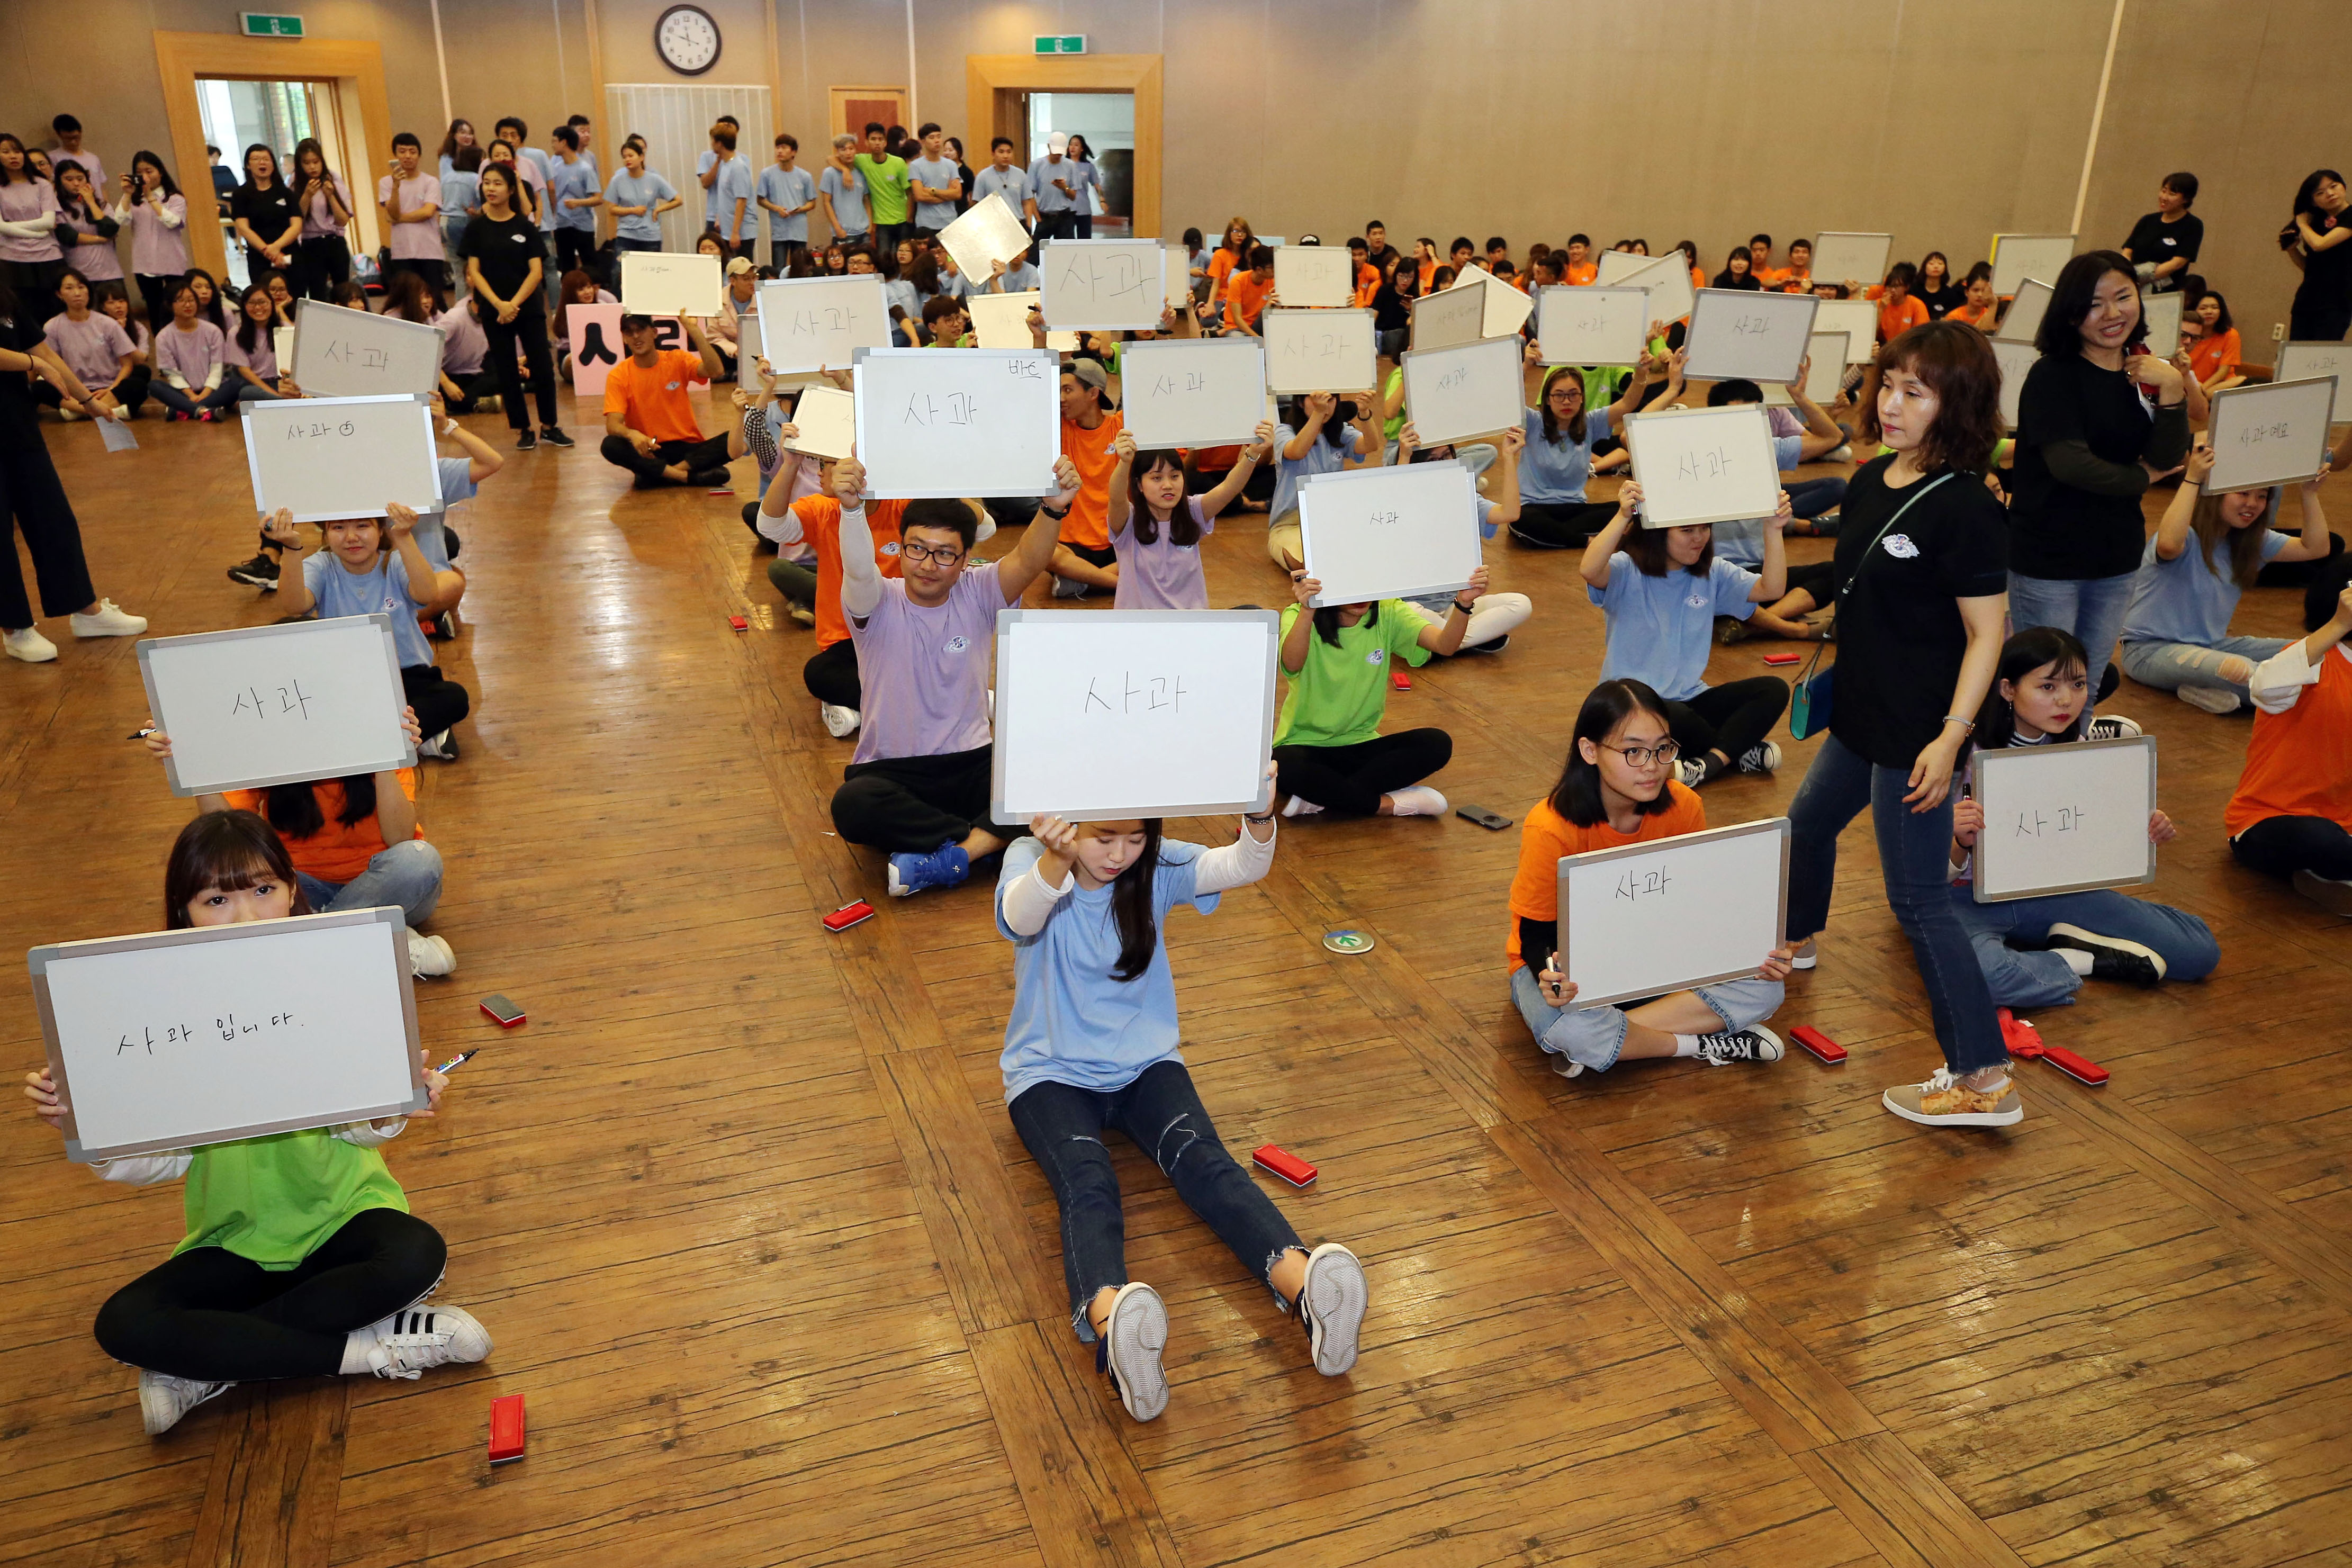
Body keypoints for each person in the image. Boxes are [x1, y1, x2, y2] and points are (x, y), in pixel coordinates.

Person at [19, 811, 488, 1438]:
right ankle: (366, 1350)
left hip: (345, 1219)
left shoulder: (337, 984)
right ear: (184, 911)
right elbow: (167, 1161)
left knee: (417, 1253)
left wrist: (388, 1105)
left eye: (263, 891)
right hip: (234, 1240)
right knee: (122, 1323)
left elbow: (355, 1132)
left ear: (293, 891)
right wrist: (93, 1123)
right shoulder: (161, 1014)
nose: (245, 916)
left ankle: (211, 1356)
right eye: (218, 899)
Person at [995, 795, 1367, 1423]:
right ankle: (1115, 1325)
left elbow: (1243, 865)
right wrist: (1058, 859)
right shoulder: (1033, 857)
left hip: (1146, 1065)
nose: (1119, 855)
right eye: (1103, 838)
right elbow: (1020, 917)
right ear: (1069, 822)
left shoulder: (1154, 866)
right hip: (1049, 1074)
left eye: (1135, 839)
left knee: (1206, 1162)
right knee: (1088, 1184)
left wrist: (1260, 813)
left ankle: (1307, 1288)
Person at [1780, 320, 2016, 1128]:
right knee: (1805, 826)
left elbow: (1989, 633)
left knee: (1917, 901)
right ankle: (1795, 938)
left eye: (1914, 391)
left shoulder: (1966, 509)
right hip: (1861, 708)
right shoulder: (1871, 475)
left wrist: (1950, 737)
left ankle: (1982, 1075)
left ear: (1956, 404)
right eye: (1888, 383)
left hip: (1920, 729)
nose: (1890, 402)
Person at [1508, 679, 1796, 1076]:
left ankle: (1613, 1042)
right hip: (1576, 973)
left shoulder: (1683, 805)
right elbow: (1534, 935)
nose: (1651, 765)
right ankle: (1696, 1044)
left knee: (1766, 986)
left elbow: (1694, 905)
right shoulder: (1550, 826)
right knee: (1569, 1022)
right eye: (1632, 752)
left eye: (1663, 749)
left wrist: (1751, 951)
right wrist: (1551, 976)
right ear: (1589, 750)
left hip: (1656, 960)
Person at [827, 452, 1083, 897]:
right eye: (916, 549)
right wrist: (852, 509)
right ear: (901, 548)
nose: (927, 563)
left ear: (966, 558)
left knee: (1062, 776)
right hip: (892, 770)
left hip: (971, 762)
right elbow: (855, 567)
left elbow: (1028, 559)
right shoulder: (875, 602)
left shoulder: (980, 591)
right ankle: (992, 841)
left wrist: (1053, 507)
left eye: (945, 554)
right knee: (852, 807)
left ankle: (959, 854)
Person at [1947, 626, 2218, 1004]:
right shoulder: (1959, 754)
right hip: (1965, 901)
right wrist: (1958, 842)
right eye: (2047, 687)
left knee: (2198, 952)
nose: (2065, 701)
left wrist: (2138, 827)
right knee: (1980, 978)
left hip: (2049, 891)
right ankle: (2076, 957)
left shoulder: (2075, 750)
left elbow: (2084, 833)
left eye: (2077, 685)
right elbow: (1926, 874)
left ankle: (2066, 939)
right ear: (2008, 690)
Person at [2008, 251, 2190, 715]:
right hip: (2048, 557)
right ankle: (2018, 778)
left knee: (2083, 688)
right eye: (2093, 304)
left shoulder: (2145, 372)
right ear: (2070, 314)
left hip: (2115, 556)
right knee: (2044, 686)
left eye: (2122, 297)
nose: (2112, 314)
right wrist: (2140, 478)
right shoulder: (2052, 375)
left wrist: (2171, 392)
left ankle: (2069, 778)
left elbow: (2170, 456)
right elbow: (2071, 465)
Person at [141, 708, 456, 975]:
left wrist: (386, 756)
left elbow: (399, 837)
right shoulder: (263, 742)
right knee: (257, 882)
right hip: (297, 892)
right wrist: (194, 767)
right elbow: (232, 837)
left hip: (390, 888)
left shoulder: (376, 720)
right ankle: (382, 938)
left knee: (419, 860)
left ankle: (324, 939)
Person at [1579, 479, 1792, 783]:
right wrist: (1623, 515)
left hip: (1692, 697)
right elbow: (1589, 569)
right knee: (1671, 718)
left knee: (1773, 689)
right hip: (1633, 703)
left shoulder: (1713, 572)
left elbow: (1772, 588)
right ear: (1658, 532)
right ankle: (1737, 749)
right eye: (1687, 530)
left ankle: (1708, 764)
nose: (1699, 539)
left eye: (1704, 528)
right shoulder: (1627, 570)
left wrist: (1773, 529)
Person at [2118, 443, 2335, 713]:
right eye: (2243, 493)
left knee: (2314, 652)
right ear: (2216, 495)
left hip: (2212, 645)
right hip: (2148, 652)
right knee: (2245, 672)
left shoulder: (2251, 540)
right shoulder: (2187, 536)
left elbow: (2316, 548)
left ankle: (2201, 689)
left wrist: (2309, 493)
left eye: (2262, 496)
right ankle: (2321, 703)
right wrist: (2193, 479)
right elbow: (2169, 545)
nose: (2252, 504)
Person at [0, 280, 147, 663]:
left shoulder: (6, 295)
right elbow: (37, 359)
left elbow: (43, 350)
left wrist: (86, 399)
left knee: (54, 520)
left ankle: (85, 611)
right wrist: (34, 365)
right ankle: (16, 629)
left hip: (18, 427)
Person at [1269, 561, 1480, 819]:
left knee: (1436, 743)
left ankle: (1323, 797)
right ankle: (1387, 805)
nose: (1361, 597)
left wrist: (1464, 604)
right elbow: (1291, 664)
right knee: (1286, 767)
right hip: (1304, 746)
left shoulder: (1388, 610)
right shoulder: (1297, 615)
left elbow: (1445, 645)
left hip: (1362, 744)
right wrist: (1307, 609)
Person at [263, 502, 470, 757]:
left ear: (381, 530)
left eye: (363, 526)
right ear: (326, 534)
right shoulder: (322, 565)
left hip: (409, 675)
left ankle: (396, 733)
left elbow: (428, 594)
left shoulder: (394, 562)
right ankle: (413, 736)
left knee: (455, 697)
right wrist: (291, 547)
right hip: (349, 681)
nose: (351, 537)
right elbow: (295, 605)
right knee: (317, 704)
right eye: (338, 528)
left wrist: (403, 537)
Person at [752, 454, 908, 737]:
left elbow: (983, 526)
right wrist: (790, 464)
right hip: (846, 641)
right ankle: (927, 700)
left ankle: (869, 707)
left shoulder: (901, 506)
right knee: (820, 674)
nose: (818, 475)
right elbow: (770, 527)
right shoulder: (824, 509)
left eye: (825, 465)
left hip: (900, 634)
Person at [2229, 558, 2352, 913]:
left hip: (2345, 823)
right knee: (2320, 839)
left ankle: (2335, 878)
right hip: (2268, 821)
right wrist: (2338, 624)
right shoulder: (2309, 659)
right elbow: (2264, 685)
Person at [1103, 423, 1274, 609]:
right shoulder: (1128, 521)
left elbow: (1229, 488)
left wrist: (1253, 453)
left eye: (1175, 476)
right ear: (1139, 485)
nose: (1168, 485)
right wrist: (1124, 462)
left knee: (1252, 613)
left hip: (1192, 629)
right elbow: (1116, 497)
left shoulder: (1193, 511)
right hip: (1145, 632)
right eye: (1156, 478)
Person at [458, 163, 567, 451]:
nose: (491, 188)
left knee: (543, 367)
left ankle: (550, 426)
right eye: (487, 183)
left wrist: (513, 304)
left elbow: (536, 272)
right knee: (507, 370)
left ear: (510, 189)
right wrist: (498, 304)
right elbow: (474, 272)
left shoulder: (524, 227)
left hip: (527, 308)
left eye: (497, 183)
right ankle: (523, 429)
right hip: (494, 310)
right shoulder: (476, 228)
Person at [598, 312, 731, 486]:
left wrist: (693, 329)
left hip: (687, 447)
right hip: (650, 449)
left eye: (641, 329)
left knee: (740, 435)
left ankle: (660, 474)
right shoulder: (619, 375)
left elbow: (716, 371)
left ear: (654, 332)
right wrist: (633, 434)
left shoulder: (676, 359)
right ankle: (684, 477)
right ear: (624, 338)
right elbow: (613, 425)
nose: (636, 336)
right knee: (610, 445)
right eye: (629, 332)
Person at [1264, 390, 1382, 567]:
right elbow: (1296, 452)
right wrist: (1318, 414)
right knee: (1308, 562)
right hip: (1290, 526)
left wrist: (1365, 413)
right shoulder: (1284, 431)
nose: (1325, 405)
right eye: (1316, 400)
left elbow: (1370, 445)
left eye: (1331, 400)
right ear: (1300, 402)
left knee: (1371, 550)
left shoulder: (1341, 432)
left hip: (1330, 521)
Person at [40, 269, 145, 420]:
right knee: (40, 388)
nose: (77, 293)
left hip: (108, 388)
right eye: (69, 288)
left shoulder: (107, 323)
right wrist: (78, 391)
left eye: (81, 287)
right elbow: (53, 365)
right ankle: (107, 411)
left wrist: (111, 389)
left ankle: (80, 411)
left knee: (140, 381)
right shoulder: (52, 327)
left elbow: (127, 364)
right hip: (75, 390)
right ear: (59, 294)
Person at [116, 151, 189, 334]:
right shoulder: (134, 199)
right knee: (154, 309)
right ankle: (162, 346)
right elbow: (119, 220)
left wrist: (151, 198)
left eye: (149, 171)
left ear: (161, 172)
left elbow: (173, 222)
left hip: (172, 260)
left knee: (177, 305)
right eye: (140, 173)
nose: (145, 177)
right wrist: (127, 194)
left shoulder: (175, 198)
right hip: (145, 262)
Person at [149, 278, 237, 422]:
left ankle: (182, 411)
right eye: (181, 300)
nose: (188, 305)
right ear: (170, 305)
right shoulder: (164, 337)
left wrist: (206, 393)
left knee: (237, 384)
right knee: (154, 386)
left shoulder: (212, 331)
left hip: (214, 390)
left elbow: (217, 367)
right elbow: (172, 374)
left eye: (191, 300)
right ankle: (204, 410)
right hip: (183, 392)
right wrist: (191, 395)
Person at [2281, 168, 2352, 341]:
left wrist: (2302, 224)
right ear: (2313, 202)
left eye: (2333, 186)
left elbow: (2320, 244)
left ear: (2343, 186)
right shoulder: (2317, 222)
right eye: (2320, 193)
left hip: (2337, 301)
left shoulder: (2350, 216)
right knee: (2297, 355)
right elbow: (2310, 268)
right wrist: (2292, 249)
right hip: (2308, 298)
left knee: (2321, 359)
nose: (2330, 194)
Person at [0, 134, 67, 318]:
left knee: (55, 310)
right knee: (23, 313)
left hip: (48, 256)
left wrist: (12, 226)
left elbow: (48, 221)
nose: (13, 156)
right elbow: (1, 227)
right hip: (12, 258)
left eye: (17, 151)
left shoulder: (42, 185)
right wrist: (37, 234)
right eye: (6, 152)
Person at [285, 138, 354, 301]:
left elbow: (343, 220)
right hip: (311, 245)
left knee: (343, 292)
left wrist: (331, 196)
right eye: (307, 163)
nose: (312, 167)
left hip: (335, 241)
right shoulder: (294, 183)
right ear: (300, 164)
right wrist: (307, 196)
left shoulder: (334, 178)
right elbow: (296, 220)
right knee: (318, 294)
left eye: (316, 162)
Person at [50, 161, 123, 299]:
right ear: (59, 182)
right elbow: (69, 237)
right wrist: (101, 239)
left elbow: (110, 230)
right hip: (79, 275)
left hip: (110, 272)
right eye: (69, 179)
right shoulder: (57, 208)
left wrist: (90, 202)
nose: (76, 184)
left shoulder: (101, 204)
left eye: (80, 179)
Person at [2121, 173, 2203, 295]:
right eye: (2164, 191)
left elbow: (2177, 263)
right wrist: (2127, 273)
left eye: (2172, 194)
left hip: (2162, 290)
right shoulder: (2148, 220)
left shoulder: (2193, 225)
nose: (2164, 197)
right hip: (2131, 284)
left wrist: (2140, 277)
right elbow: (2128, 250)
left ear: (2186, 199)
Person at [230, 144, 301, 282]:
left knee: (295, 298)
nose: (262, 163)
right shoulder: (240, 194)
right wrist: (269, 252)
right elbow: (244, 228)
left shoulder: (286, 193)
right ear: (248, 165)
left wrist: (276, 247)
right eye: (256, 159)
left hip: (289, 255)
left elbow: (296, 225)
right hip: (259, 258)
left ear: (273, 165)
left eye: (266, 159)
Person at [603, 140, 681, 256]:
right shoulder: (617, 180)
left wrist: (658, 210)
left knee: (650, 272)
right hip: (626, 234)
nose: (627, 160)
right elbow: (612, 209)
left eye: (631, 156)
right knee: (619, 272)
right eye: (624, 157)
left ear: (641, 157)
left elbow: (678, 200)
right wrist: (633, 210)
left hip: (650, 236)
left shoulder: (654, 179)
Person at [222, 285, 291, 411]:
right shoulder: (236, 333)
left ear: (272, 303)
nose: (258, 308)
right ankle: (283, 404)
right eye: (252, 303)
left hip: (281, 382)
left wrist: (287, 387)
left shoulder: (284, 328)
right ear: (244, 306)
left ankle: (279, 404)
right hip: (256, 384)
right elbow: (245, 371)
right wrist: (275, 395)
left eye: (262, 302)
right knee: (247, 393)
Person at [755, 132, 816, 271]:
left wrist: (799, 210)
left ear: (793, 152)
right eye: (777, 147)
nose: (779, 151)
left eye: (784, 148)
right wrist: (777, 209)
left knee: (800, 268)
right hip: (779, 230)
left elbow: (812, 203)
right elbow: (760, 199)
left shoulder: (805, 176)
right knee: (778, 268)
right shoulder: (767, 174)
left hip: (799, 230)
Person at [547, 124, 600, 280]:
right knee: (566, 266)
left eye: (555, 141)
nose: (553, 145)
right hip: (562, 225)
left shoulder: (585, 169)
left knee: (589, 264)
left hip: (583, 225)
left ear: (564, 143)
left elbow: (598, 198)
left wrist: (578, 203)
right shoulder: (556, 169)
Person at [854, 122, 910, 253]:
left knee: (903, 257)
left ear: (885, 143)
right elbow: (832, 159)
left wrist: (909, 218)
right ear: (867, 142)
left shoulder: (898, 163)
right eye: (873, 139)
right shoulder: (862, 161)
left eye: (880, 140)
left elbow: (910, 192)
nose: (877, 143)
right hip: (881, 223)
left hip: (902, 220)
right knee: (884, 258)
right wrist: (845, 172)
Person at [906, 123, 962, 239]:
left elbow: (957, 194)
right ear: (922, 141)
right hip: (926, 224)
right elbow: (920, 196)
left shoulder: (951, 165)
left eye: (939, 136)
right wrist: (947, 195)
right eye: (932, 138)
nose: (937, 141)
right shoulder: (916, 166)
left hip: (949, 222)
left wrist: (932, 191)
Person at [706, 124, 755, 256]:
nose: (711, 144)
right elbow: (725, 196)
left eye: (713, 141)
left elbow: (741, 200)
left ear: (720, 143)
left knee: (741, 271)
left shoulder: (738, 167)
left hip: (741, 233)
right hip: (727, 230)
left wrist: (735, 232)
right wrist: (719, 218)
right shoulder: (725, 164)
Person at [1028, 132, 1083, 243]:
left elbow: (1073, 196)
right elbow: (1030, 195)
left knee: (1066, 253)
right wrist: (1037, 218)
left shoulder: (1070, 165)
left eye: (1060, 153)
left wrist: (1064, 187)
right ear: (1049, 147)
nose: (1058, 156)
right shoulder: (1036, 165)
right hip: (1044, 216)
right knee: (1035, 255)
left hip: (1064, 216)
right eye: (1055, 152)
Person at [817, 134, 869, 250]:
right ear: (838, 152)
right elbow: (826, 202)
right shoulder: (829, 173)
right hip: (843, 231)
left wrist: (870, 225)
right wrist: (837, 228)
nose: (848, 153)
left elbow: (866, 200)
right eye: (844, 150)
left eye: (851, 149)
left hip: (863, 231)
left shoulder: (861, 173)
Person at [438, 144, 481, 280]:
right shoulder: (475, 178)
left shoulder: (447, 177)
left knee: (458, 272)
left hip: (444, 222)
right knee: (471, 270)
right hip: (463, 221)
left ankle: (460, 301)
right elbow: (482, 202)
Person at [2186, 291, 2242, 393]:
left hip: (2219, 386)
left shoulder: (2231, 335)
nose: (2209, 312)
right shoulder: (2186, 336)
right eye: (2203, 308)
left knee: (2242, 380)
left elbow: (2223, 371)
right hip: (2192, 385)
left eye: (2215, 308)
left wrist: (2202, 389)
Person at [971, 136, 1029, 218]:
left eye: (1009, 152)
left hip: (1018, 221)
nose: (1006, 156)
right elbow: (977, 204)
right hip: (993, 224)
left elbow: (1027, 202)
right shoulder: (983, 176)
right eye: (1001, 152)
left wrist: (1029, 225)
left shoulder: (1021, 174)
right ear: (993, 154)